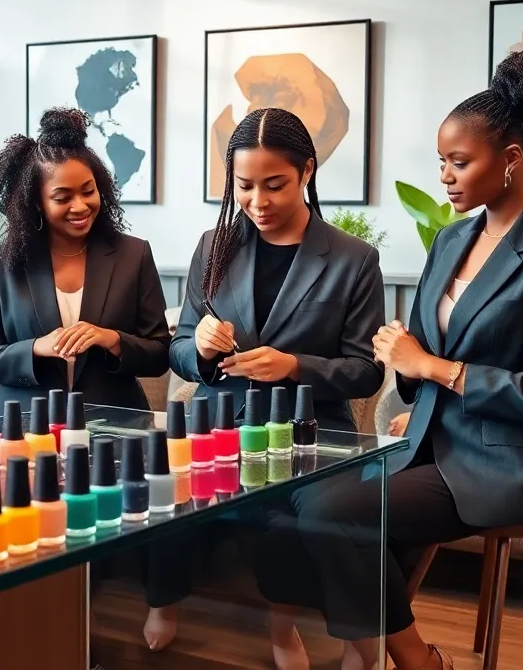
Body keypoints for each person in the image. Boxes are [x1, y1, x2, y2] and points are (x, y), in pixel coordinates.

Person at [304, 49, 523, 670]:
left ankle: (413, 660)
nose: (444, 175)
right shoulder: (449, 239)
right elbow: (420, 365)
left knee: (332, 511)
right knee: (311, 502)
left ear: (512, 160)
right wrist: (416, 394)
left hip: (508, 462)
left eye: (459, 161)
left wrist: (431, 369)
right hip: (437, 444)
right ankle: (387, 653)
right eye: (441, 160)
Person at [164, 107, 386, 658]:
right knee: (156, 486)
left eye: (274, 185)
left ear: (307, 172)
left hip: (310, 430)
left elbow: (366, 371)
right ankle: (160, 598)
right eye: (244, 186)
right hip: (219, 423)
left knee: (315, 512)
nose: (258, 202)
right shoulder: (214, 247)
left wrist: (294, 367)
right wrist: (201, 348)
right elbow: (179, 351)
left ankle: (305, 628)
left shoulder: (353, 260)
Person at [0, 107, 169, 419]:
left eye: (88, 191)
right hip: (23, 423)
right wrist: (36, 348)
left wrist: (112, 339)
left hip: (114, 421)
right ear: (36, 201)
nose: (80, 206)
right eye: (63, 198)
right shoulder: (3, 261)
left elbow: (159, 355)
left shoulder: (134, 255)